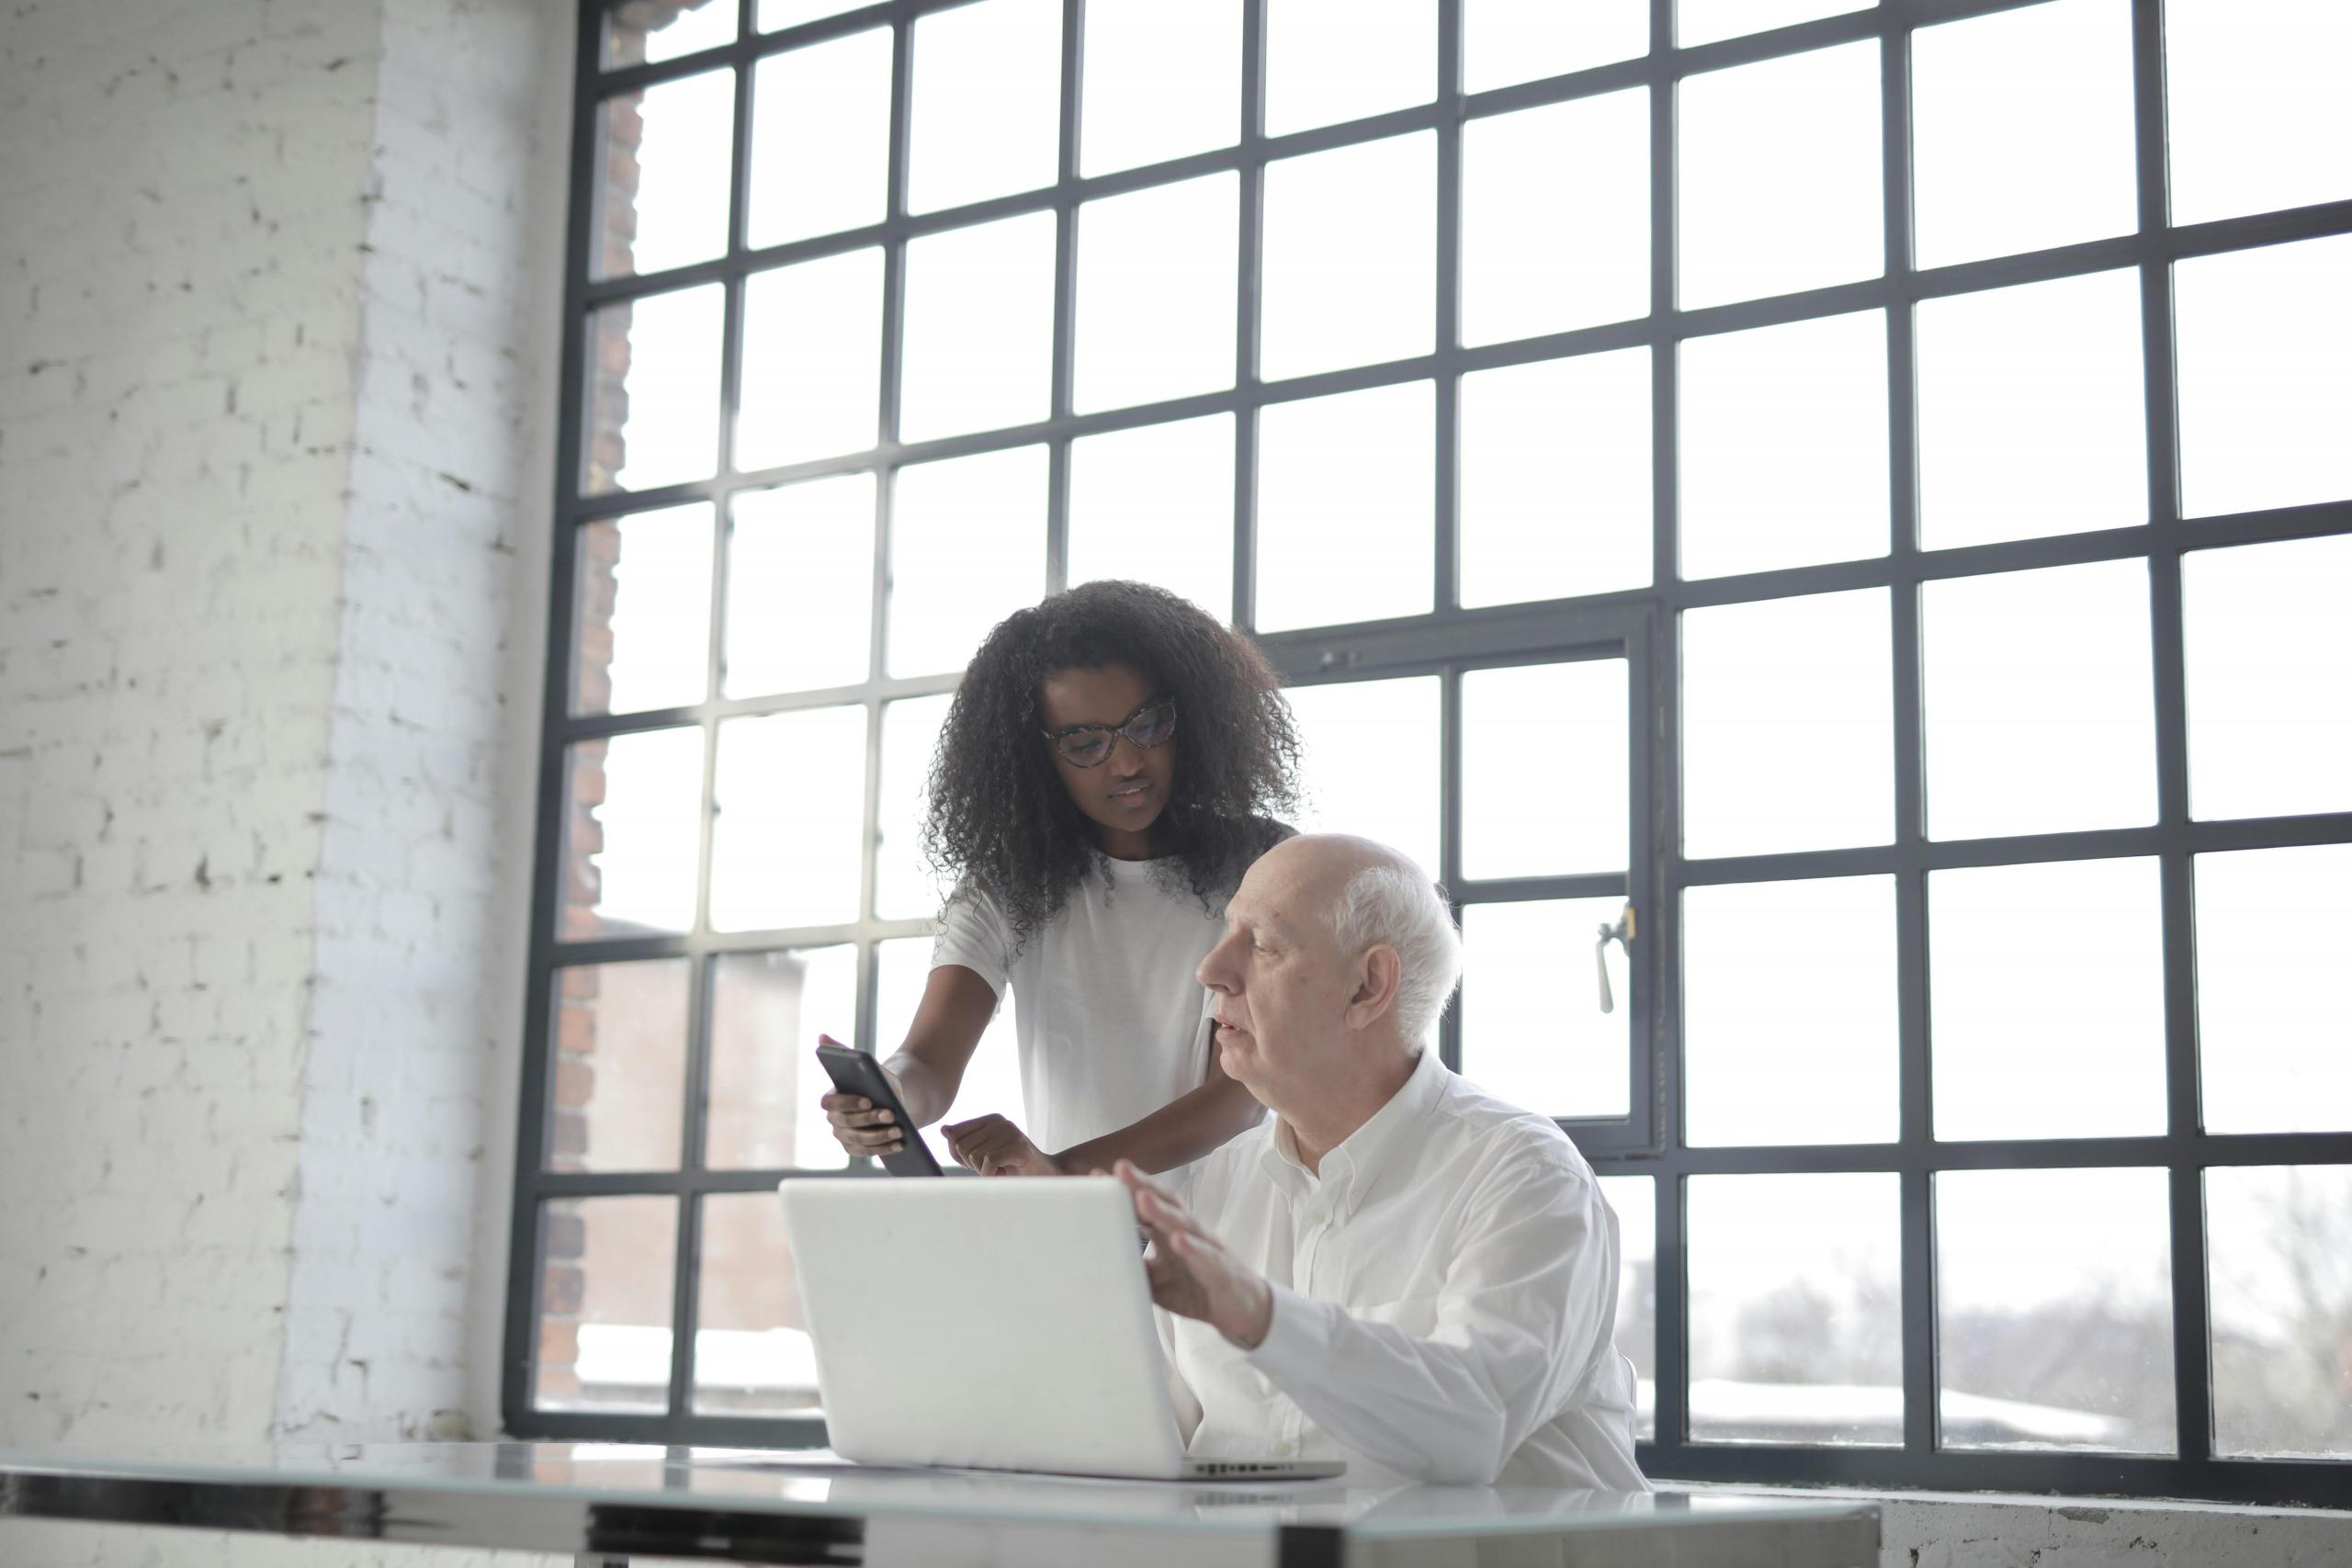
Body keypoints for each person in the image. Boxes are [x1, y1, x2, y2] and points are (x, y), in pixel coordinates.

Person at [1114, 833, 1646, 1490]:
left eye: (1263, 943)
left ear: (1368, 986)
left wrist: (1260, 1314)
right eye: (1229, 932)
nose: (1211, 968)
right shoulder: (1216, 1183)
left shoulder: (1527, 1175)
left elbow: (1472, 1426)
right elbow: (1138, 1439)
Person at [824, 580, 1299, 1178]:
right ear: (1037, 757)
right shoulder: (1008, 886)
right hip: (1085, 1239)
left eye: (1148, 725)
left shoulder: (1266, 866)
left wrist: (1058, 1169)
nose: (1127, 762)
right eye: (1085, 743)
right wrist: (885, 1093)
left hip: (1241, 1235)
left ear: (1191, 716)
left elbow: (1235, 1098)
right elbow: (928, 1062)